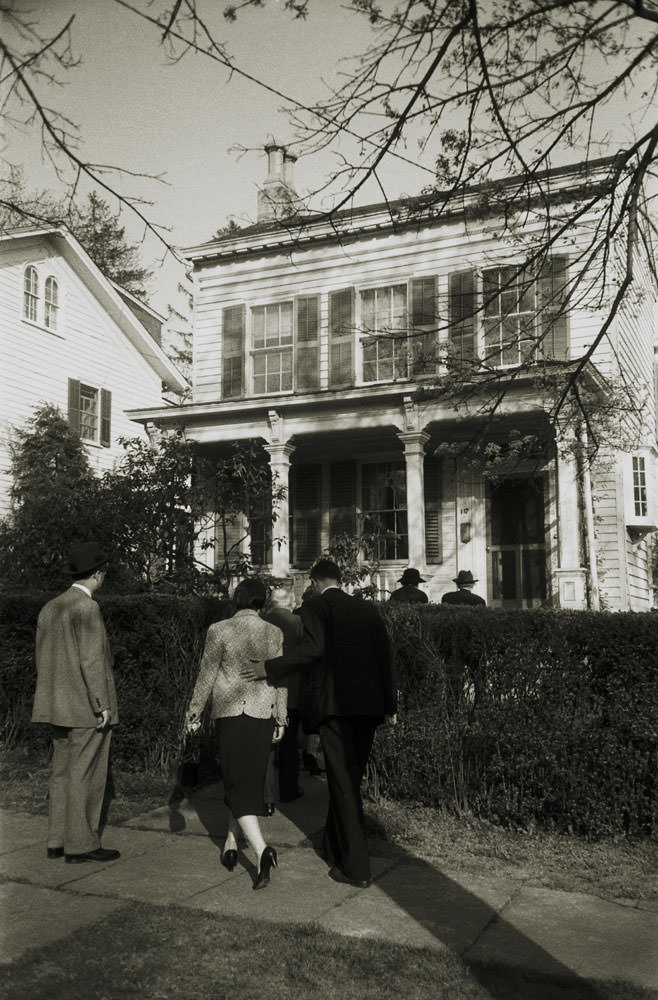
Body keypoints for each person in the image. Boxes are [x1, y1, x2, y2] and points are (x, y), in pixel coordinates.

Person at [242, 559, 397, 889]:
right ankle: (333, 845)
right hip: (370, 707)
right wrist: (390, 704)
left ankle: (357, 869)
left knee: (342, 784)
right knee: (349, 778)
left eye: (309, 582)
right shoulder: (368, 610)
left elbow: (312, 650)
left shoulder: (316, 607)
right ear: (340, 579)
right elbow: (385, 656)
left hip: (336, 707)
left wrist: (270, 668)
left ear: (314, 580)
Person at [185, 577, 286, 890]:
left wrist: (194, 711)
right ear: (261, 602)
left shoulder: (219, 629)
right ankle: (231, 841)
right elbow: (282, 678)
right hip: (262, 715)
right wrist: (282, 716)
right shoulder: (274, 632)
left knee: (235, 779)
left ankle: (261, 851)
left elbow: (207, 675)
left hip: (231, 715)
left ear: (237, 600)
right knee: (242, 780)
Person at [32, 541, 120, 864]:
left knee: (62, 772)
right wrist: (102, 704)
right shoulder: (87, 608)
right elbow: (92, 660)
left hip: (56, 705)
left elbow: (42, 658)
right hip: (86, 707)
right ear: (96, 574)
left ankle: (57, 840)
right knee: (86, 773)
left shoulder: (50, 607)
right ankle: (81, 844)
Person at [261, 583, 305, 803]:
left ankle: (264, 792)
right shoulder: (297, 623)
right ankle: (288, 789)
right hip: (291, 689)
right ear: (291, 603)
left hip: (264, 686)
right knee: (289, 743)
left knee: (264, 743)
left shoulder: (261, 621)